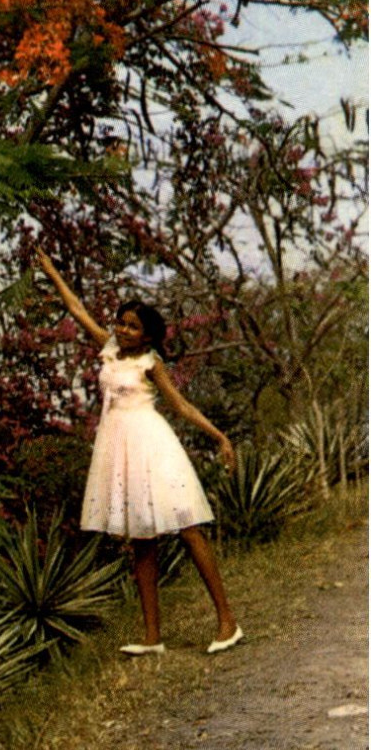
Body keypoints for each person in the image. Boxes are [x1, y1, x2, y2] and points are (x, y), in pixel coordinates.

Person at [34, 247, 243, 655]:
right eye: (121, 323)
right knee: (141, 539)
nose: (123, 330)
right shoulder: (108, 348)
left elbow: (181, 406)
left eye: (132, 326)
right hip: (117, 451)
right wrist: (50, 271)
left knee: (187, 525)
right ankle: (152, 636)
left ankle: (227, 620)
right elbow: (76, 309)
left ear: (147, 335)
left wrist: (220, 436)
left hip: (152, 446)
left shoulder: (151, 363)